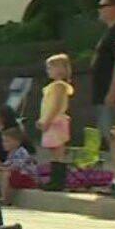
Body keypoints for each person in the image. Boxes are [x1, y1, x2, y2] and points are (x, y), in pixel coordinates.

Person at [91, 0, 115, 197]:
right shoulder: (113, 31)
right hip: (110, 97)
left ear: (114, 8)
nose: (99, 10)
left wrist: (112, 92)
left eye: (102, 5)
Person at [37, 53, 74, 192]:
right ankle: (55, 180)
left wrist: (47, 120)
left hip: (55, 121)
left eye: (50, 67)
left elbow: (56, 106)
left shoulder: (59, 86)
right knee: (54, 151)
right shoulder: (54, 86)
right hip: (52, 120)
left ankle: (58, 182)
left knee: (58, 151)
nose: (48, 71)